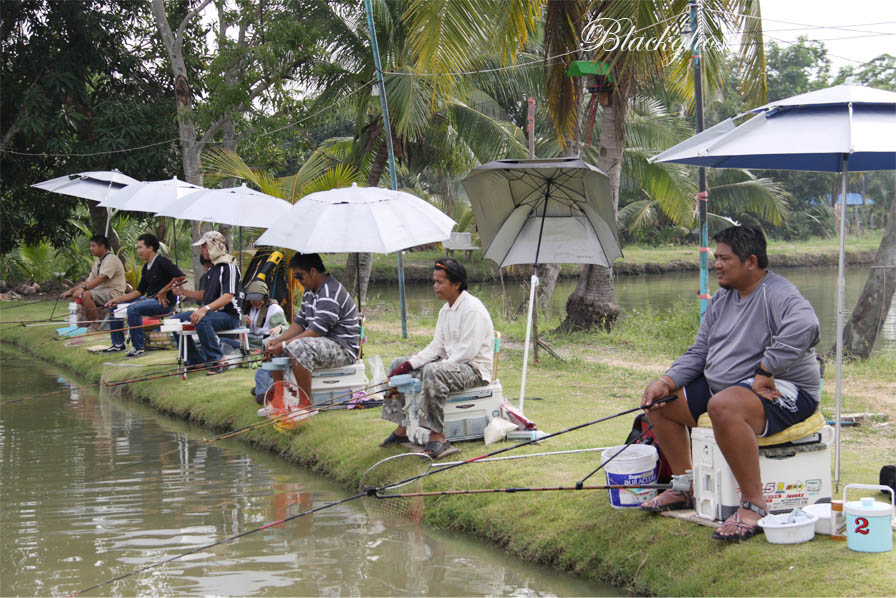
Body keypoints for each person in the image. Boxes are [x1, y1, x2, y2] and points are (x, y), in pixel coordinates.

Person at [638, 225, 821, 542]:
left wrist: (766, 368)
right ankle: (686, 486)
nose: (716, 265)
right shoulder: (722, 300)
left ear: (751, 261)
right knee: (659, 403)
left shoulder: (778, 294)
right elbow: (699, 352)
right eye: (715, 257)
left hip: (783, 391)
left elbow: (807, 325)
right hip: (725, 390)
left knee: (723, 406)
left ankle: (753, 504)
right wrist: (666, 380)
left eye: (724, 258)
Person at [380, 258, 495, 458]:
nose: (435, 286)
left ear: (456, 284)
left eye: (440, 282)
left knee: (432, 370)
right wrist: (408, 365)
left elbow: (467, 352)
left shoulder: (473, 309)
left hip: (474, 369)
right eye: (434, 281)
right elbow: (436, 347)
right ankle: (402, 428)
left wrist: (436, 366)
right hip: (451, 366)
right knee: (397, 363)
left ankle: (437, 435)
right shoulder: (445, 310)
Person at [263, 253, 359, 408]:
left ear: (313, 272)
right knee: (269, 342)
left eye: (299, 276)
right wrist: (278, 340)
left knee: (297, 347)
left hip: (343, 348)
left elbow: (317, 330)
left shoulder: (330, 292)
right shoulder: (310, 292)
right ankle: (280, 397)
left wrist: (285, 344)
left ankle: (305, 405)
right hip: (322, 343)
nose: (298, 281)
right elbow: (300, 323)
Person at [170, 231, 241, 375]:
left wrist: (204, 309)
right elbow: (204, 295)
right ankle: (195, 361)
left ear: (214, 246)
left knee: (202, 320)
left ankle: (218, 360)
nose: (201, 250)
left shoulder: (229, 267)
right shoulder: (212, 270)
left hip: (229, 315)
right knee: (176, 320)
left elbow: (227, 296)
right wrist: (183, 291)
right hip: (211, 313)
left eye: (204, 246)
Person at [103, 234, 185, 356]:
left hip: (163, 303)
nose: (138, 251)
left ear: (150, 248)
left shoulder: (162, 262)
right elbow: (139, 291)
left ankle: (138, 347)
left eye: (140, 247)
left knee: (133, 309)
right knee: (115, 306)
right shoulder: (146, 267)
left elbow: (180, 277)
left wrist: (164, 291)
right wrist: (119, 299)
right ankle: (118, 344)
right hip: (149, 299)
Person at [61, 234, 126, 330]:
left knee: (86, 294)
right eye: (90, 246)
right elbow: (88, 281)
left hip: (114, 292)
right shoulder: (97, 262)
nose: (91, 249)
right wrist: (71, 291)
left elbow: (101, 278)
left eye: (93, 246)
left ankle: (95, 324)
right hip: (102, 292)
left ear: (103, 246)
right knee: (78, 295)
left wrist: (83, 289)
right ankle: (81, 324)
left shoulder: (111, 259)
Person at [243, 279, 288, 348]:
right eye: (253, 299)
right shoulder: (247, 308)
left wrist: (280, 328)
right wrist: (242, 319)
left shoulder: (274, 309)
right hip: (247, 343)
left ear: (265, 297)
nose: (256, 302)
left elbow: (286, 327)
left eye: (258, 299)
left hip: (265, 344)